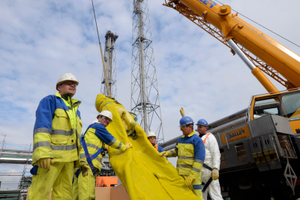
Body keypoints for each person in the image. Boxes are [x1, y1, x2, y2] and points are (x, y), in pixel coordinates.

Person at [28, 73, 82, 200]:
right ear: (59, 87)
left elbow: (78, 139)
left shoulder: (76, 110)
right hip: (51, 157)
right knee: (40, 192)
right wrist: (43, 153)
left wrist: (80, 161)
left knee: (65, 195)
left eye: (74, 84)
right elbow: (42, 127)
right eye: (69, 83)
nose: (72, 85)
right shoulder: (50, 101)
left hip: (69, 160)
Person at [73, 110, 132, 200]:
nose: (107, 121)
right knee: (88, 196)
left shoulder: (91, 131)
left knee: (76, 195)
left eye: (109, 120)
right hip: (88, 166)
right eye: (105, 118)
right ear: (99, 117)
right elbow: (111, 140)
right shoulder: (98, 127)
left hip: (82, 166)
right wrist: (124, 147)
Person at [159, 116, 205, 200]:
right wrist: (167, 153)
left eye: (182, 127)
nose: (181, 129)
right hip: (181, 175)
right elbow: (176, 151)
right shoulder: (180, 139)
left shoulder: (197, 140)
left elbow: (199, 161)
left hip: (193, 177)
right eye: (180, 127)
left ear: (190, 127)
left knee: (197, 197)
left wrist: (191, 176)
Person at [196, 119, 223, 200]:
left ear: (206, 128)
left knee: (215, 195)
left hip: (210, 171)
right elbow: (190, 135)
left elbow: (216, 153)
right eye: (198, 127)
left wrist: (216, 168)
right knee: (200, 196)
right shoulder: (197, 138)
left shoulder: (210, 138)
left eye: (201, 126)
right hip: (200, 172)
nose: (199, 128)